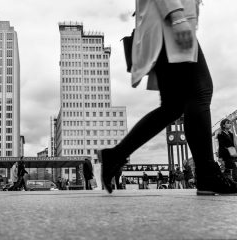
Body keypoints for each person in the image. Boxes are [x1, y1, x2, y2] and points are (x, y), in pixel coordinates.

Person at [97, 0, 237, 195]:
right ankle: (207, 174)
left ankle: (116, 155)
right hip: (168, 24)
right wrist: (177, 16)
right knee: (200, 91)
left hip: (161, 24)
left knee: (173, 105)